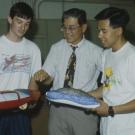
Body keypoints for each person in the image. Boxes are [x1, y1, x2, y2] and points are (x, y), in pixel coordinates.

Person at [34, 8, 103, 135]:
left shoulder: (97, 52)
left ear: (83, 28)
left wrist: (96, 93)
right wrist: (43, 76)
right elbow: (49, 78)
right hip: (57, 109)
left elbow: (112, 78)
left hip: (84, 111)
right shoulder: (56, 48)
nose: (67, 32)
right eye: (64, 27)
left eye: (72, 28)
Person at [89, 7, 135, 135]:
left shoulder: (132, 56)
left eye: (104, 31)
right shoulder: (106, 55)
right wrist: (85, 96)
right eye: (99, 30)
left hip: (128, 129)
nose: (99, 35)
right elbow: (108, 86)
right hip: (107, 127)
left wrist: (111, 110)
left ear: (119, 31)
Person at [0, 2, 41, 135]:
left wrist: (30, 101)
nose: (23, 27)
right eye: (19, 21)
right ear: (10, 19)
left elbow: (34, 82)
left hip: (20, 112)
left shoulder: (33, 49)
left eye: (27, 23)